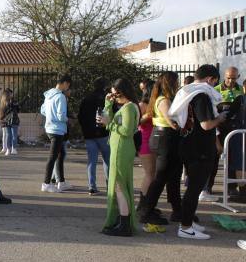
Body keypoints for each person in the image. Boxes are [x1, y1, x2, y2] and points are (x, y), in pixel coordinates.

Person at [168, 64, 228, 240]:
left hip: (189, 144)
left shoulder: (188, 92)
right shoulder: (201, 95)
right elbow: (206, 124)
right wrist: (220, 118)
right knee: (194, 189)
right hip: (200, 148)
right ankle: (186, 227)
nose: (214, 85)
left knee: (192, 188)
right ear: (210, 79)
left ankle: (187, 222)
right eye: (214, 82)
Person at [135, 72, 180, 227]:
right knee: (159, 176)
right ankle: (146, 210)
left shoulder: (161, 98)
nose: (178, 84)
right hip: (164, 138)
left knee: (169, 175)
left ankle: (173, 209)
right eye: (176, 82)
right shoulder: (163, 100)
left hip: (163, 138)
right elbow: (172, 122)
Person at [96, 79, 139, 236]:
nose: (114, 97)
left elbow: (126, 130)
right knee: (120, 185)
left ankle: (124, 224)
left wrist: (110, 123)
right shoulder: (128, 107)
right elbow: (112, 124)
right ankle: (122, 221)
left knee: (119, 186)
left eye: (115, 95)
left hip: (121, 149)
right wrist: (108, 105)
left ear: (123, 92)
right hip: (121, 148)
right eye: (112, 95)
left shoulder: (128, 108)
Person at [202, 66, 243, 202]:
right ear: (224, 76)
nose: (231, 81)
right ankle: (207, 187)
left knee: (234, 158)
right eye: (228, 78)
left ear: (238, 77)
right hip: (218, 128)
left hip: (235, 129)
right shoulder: (215, 90)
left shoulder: (241, 90)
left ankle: (232, 187)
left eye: (234, 78)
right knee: (213, 157)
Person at [78, 78, 111, 195]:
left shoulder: (86, 99)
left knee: (92, 161)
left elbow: (80, 117)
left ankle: (92, 186)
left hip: (89, 134)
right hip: (103, 133)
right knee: (107, 160)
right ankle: (109, 185)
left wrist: (85, 130)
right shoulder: (106, 99)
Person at [40, 75, 71, 193]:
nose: (68, 88)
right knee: (53, 157)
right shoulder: (61, 96)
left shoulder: (48, 95)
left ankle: (61, 182)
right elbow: (61, 116)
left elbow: (43, 110)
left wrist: (50, 116)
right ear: (65, 83)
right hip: (57, 130)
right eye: (68, 85)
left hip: (50, 128)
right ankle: (46, 183)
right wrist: (68, 120)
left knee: (60, 155)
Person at [0, 89, 20, 156]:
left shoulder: (3, 102)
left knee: (8, 135)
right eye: (11, 93)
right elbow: (18, 109)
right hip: (13, 120)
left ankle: (7, 149)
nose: (12, 95)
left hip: (6, 120)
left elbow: (2, 112)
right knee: (14, 135)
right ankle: (13, 149)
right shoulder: (13, 101)